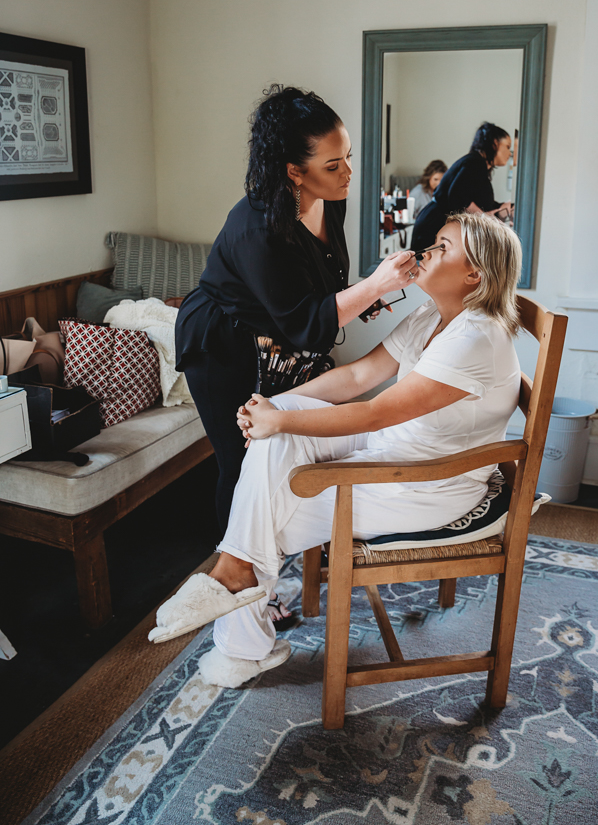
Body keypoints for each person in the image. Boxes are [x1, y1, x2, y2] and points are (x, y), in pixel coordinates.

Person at [151, 212, 522, 688]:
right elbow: (358, 377)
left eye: (443, 247)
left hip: (429, 482)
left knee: (268, 511)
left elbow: (375, 412)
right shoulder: (433, 313)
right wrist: (275, 407)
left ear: (475, 274)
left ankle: (239, 627)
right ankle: (235, 577)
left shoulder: (475, 338)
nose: (427, 251)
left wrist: (279, 418)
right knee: (272, 450)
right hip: (392, 450)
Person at [175, 85, 419, 626]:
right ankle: (244, 599)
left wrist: (359, 300)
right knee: (242, 463)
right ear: (293, 170)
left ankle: (276, 565)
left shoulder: (327, 198)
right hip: (224, 343)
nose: (348, 172)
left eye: (349, 156)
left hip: (279, 338)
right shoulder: (261, 227)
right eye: (334, 164)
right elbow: (309, 325)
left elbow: (320, 289)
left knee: (286, 448)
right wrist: (375, 286)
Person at [411, 122, 514, 252]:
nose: (509, 153)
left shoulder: (478, 166)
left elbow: (478, 202)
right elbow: (457, 196)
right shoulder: (474, 162)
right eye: (507, 146)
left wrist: (504, 207)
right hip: (434, 226)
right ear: (494, 143)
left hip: (441, 227)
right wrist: (485, 217)